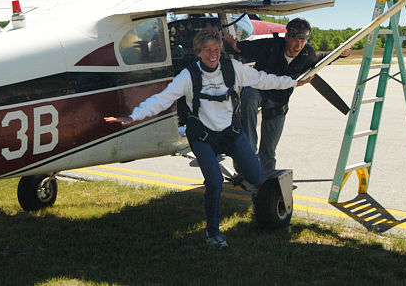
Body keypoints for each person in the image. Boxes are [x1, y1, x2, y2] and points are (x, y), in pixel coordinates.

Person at [105, 27, 308, 248]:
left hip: (231, 133)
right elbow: (162, 99)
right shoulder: (188, 76)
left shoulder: (233, 68)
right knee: (214, 182)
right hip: (203, 136)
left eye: (217, 49)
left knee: (257, 175)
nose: (213, 54)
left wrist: (294, 82)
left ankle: (252, 192)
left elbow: (263, 79)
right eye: (208, 50)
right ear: (198, 52)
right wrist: (134, 116)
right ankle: (213, 233)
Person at [224, 18, 347, 174]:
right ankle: (245, 161)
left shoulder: (307, 53)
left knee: (269, 150)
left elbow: (320, 60)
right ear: (287, 37)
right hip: (259, 90)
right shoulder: (270, 45)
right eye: (296, 39)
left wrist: (340, 54)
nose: (299, 45)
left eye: (303, 40)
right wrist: (230, 43)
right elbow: (240, 48)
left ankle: (267, 179)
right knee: (249, 97)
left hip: (278, 102)